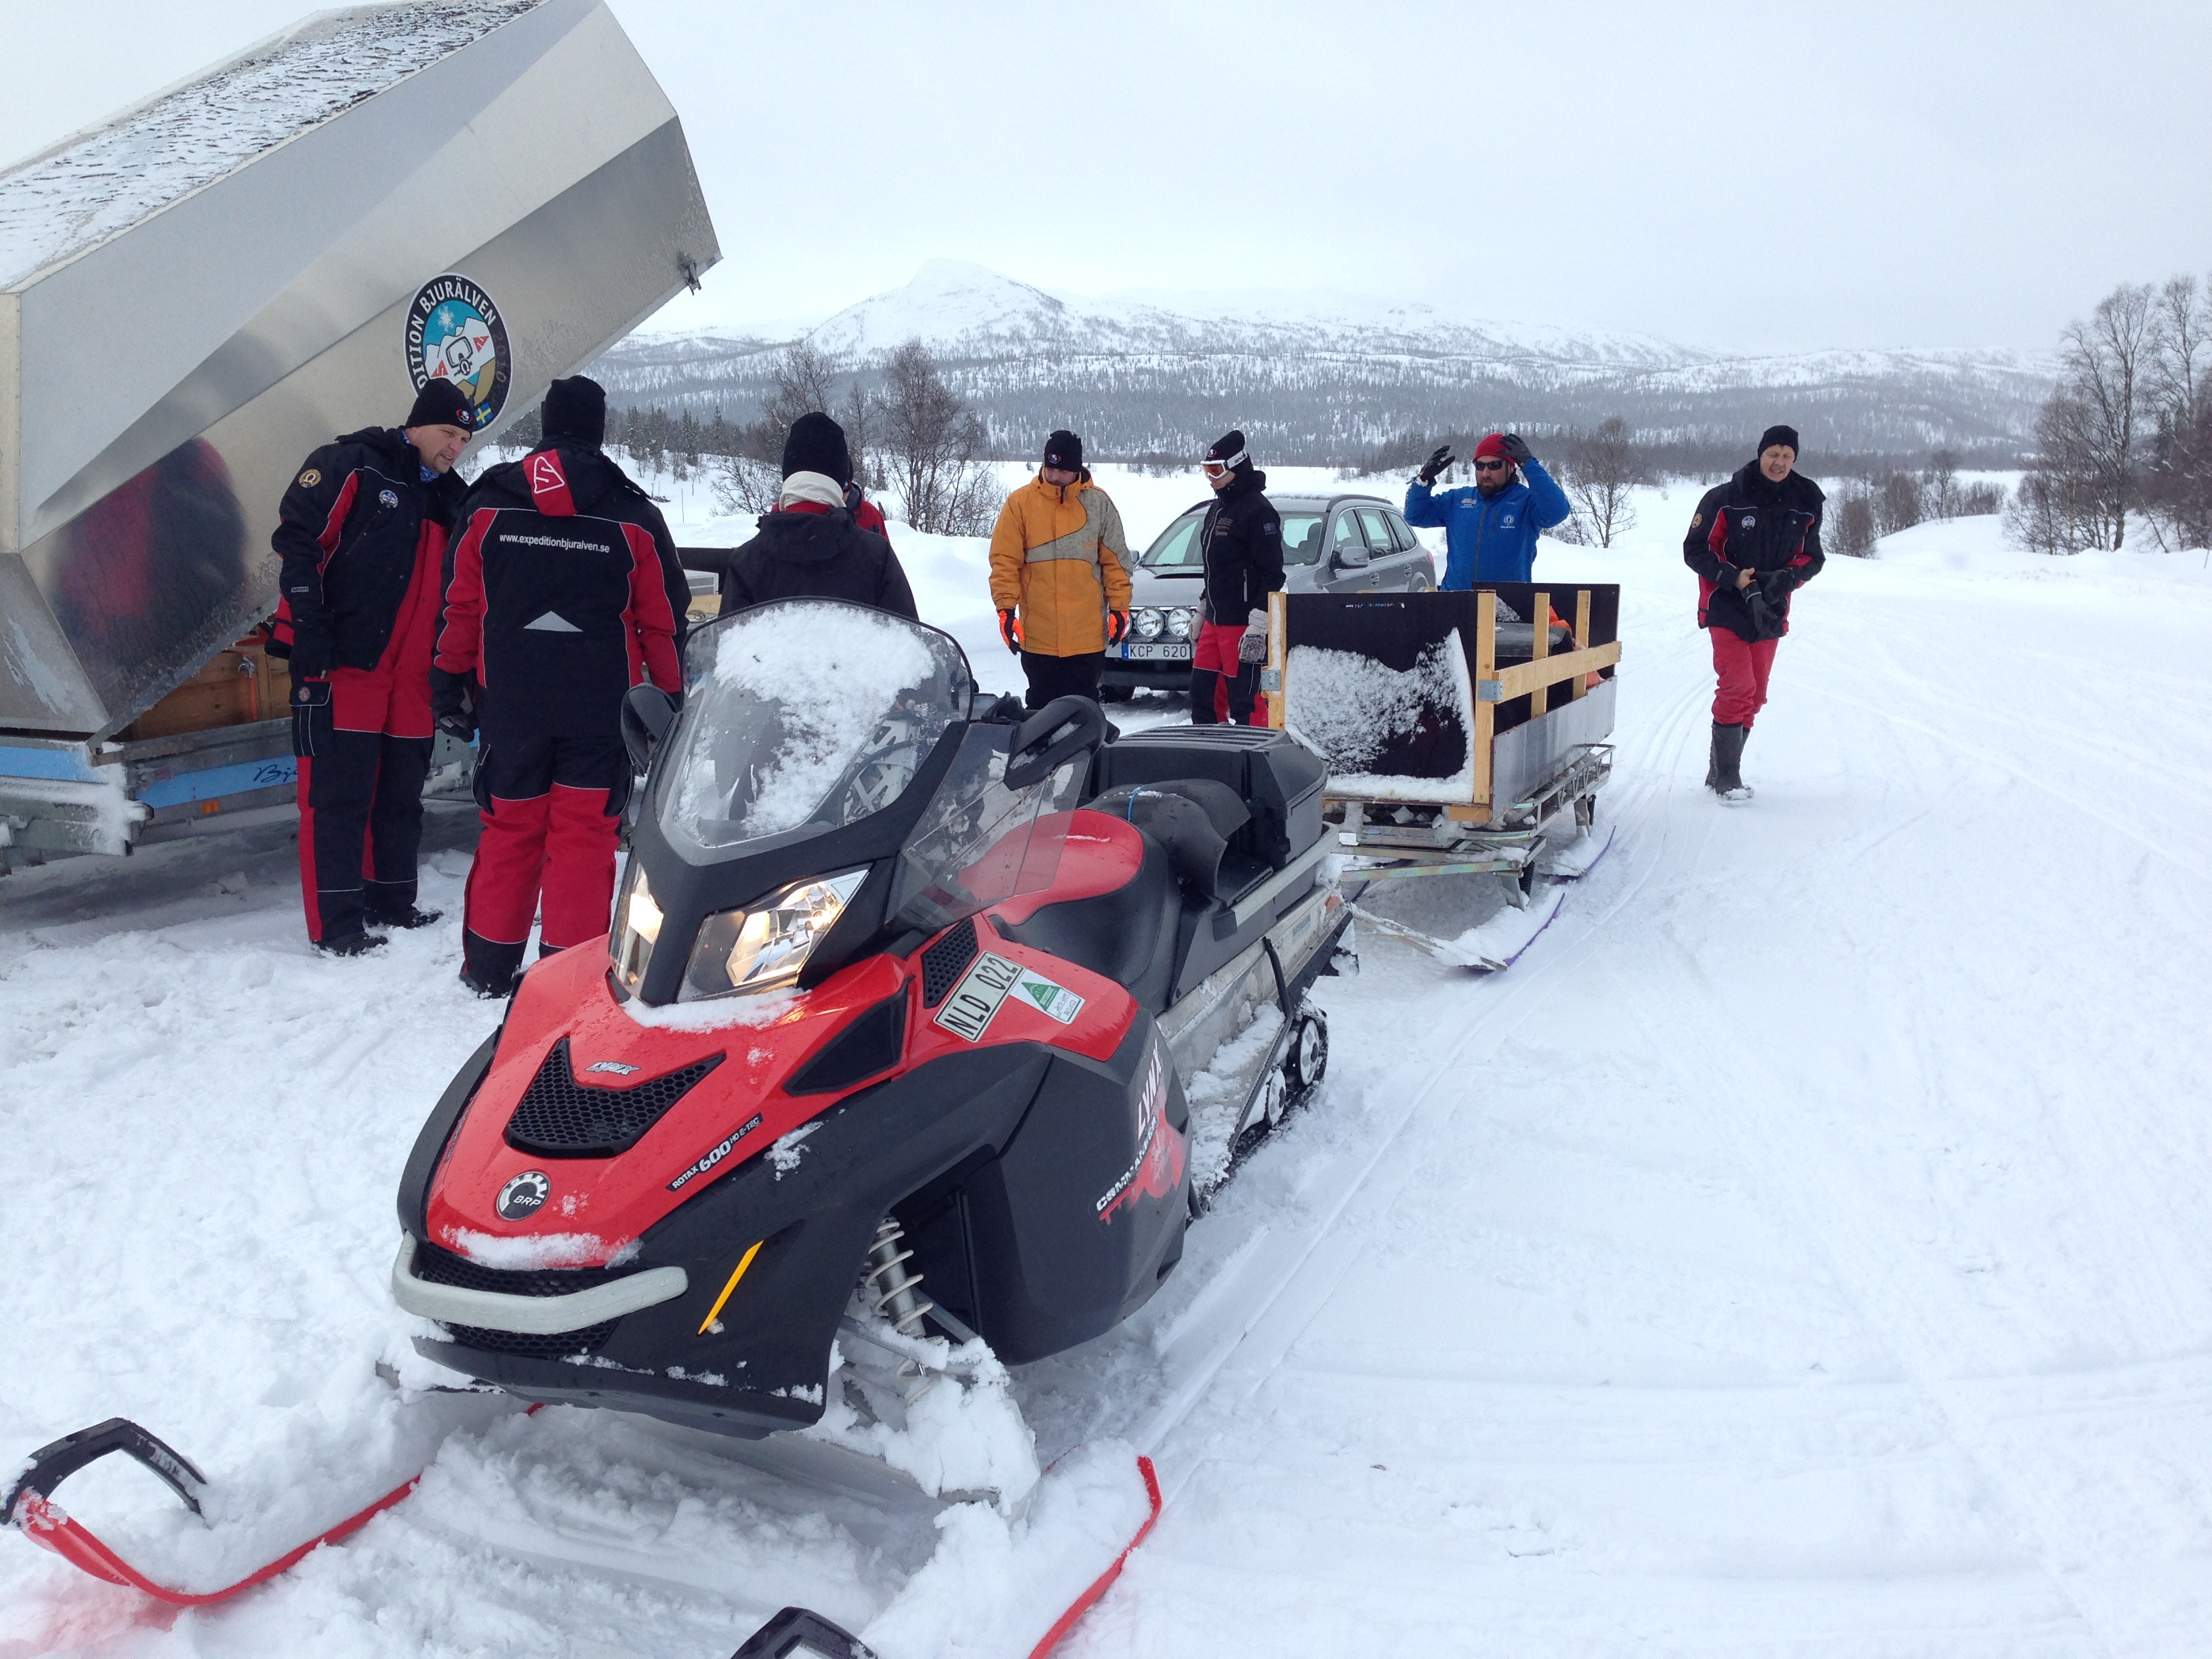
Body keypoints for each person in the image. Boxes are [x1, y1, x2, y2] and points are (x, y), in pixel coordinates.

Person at [432, 376, 689, 996]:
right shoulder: (633, 515)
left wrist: (448, 685)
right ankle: (564, 982)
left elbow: (461, 608)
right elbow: (663, 623)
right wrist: (671, 702)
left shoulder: (490, 503)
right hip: (599, 712)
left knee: (511, 831)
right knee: (584, 839)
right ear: (598, 431)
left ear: (546, 426)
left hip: (511, 706)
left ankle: (489, 970)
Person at [269, 378, 473, 954]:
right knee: (338, 801)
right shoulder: (357, 466)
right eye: (447, 433)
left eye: (464, 437)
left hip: (411, 680)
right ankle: (336, 927)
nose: (455, 446)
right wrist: (307, 623)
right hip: (346, 664)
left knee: (400, 799)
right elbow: (298, 535)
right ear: (417, 424)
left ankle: (391, 901)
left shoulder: (452, 499)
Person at [1681, 424, 1826, 801]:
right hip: (1726, 603)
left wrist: (1787, 579)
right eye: (1773, 454)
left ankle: (1720, 772)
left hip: (1771, 607)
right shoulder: (1725, 498)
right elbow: (1695, 550)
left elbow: (1813, 557)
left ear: (1795, 459)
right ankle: (1729, 779)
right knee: (1737, 687)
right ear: (1760, 453)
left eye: (1787, 456)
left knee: (1757, 695)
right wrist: (1735, 579)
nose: (1779, 463)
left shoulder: (1807, 500)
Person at [712, 412, 916, 617]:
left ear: (789, 476)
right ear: (840, 478)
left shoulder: (746, 562)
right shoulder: (876, 557)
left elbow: (730, 645)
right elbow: (907, 641)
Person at [987, 430, 1132, 708]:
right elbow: (1004, 562)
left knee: (1083, 711)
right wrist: (1006, 610)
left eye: (1063, 470)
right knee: (1041, 714)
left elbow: (1117, 565)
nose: (1055, 476)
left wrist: (1120, 608)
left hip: (1087, 641)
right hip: (1038, 639)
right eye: (1050, 467)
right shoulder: (1020, 504)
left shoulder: (1099, 504)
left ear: (1077, 469)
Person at [1189, 430, 1284, 726]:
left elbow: (1273, 572)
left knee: (1246, 700)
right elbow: (1215, 568)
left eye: (1216, 471)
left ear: (1236, 466)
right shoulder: (1216, 509)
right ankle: (1210, 753)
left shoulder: (1259, 511)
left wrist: (1258, 623)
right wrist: (1204, 609)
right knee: (1203, 696)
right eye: (1206, 471)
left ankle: (1255, 757)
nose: (1211, 478)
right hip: (1215, 621)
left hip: (1243, 624)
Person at [1404, 432, 1570, 587]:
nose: (1485, 473)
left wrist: (1530, 465)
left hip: (1508, 607)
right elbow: (1415, 516)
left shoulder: (1525, 503)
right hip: (1456, 604)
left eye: (1494, 465)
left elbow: (1557, 512)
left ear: (1511, 468)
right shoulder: (1458, 500)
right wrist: (1422, 481)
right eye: (1480, 465)